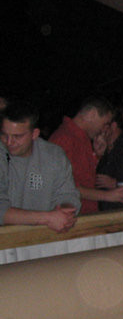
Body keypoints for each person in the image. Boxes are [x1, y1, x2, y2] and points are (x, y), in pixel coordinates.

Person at [1, 99, 80, 231]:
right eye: (4, 135)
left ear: (35, 134)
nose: (9, 142)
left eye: (17, 136)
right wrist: (47, 218)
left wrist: (65, 211)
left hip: (42, 240)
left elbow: (67, 194)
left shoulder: (54, 155)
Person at [49, 96, 123, 214]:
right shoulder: (64, 139)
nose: (104, 130)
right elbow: (66, 187)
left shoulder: (81, 137)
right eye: (105, 124)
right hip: (70, 216)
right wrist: (109, 195)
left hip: (83, 213)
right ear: (92, 114)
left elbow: (84, 177)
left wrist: (97, 156)